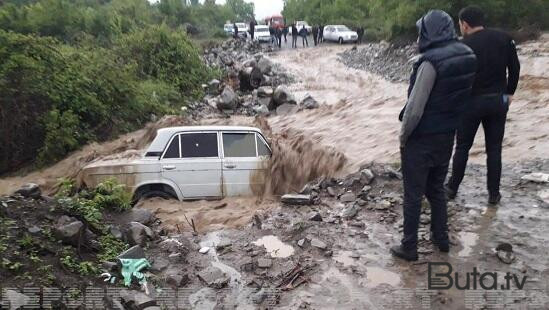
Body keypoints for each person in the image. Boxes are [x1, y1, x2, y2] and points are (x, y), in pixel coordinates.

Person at [390, 10, 477, 261]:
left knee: (413, 195)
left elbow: (415, 108)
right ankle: (441, 240)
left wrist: (403, 136)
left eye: (422, 30)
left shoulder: (430, 62)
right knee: (436, 189)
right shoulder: (467, 54)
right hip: (447, 134)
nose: (419, 35)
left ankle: (409, 247)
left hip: (423, 138)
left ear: (430, 32)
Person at [446, 6, 521, 205]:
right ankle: (493, 194)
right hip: (499, 100)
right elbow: (515, 67)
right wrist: (510, 93)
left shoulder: (463, 45)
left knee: (462, 146)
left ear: (464, 24)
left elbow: (456, 76)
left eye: (460, 24)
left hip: (471, 102)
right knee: (494, 149)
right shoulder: (504, 38)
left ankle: (452, 188)